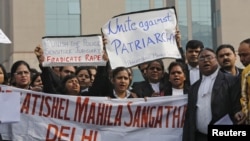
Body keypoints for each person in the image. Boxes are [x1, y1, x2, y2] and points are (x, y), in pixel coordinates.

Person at [183, 48, 245, 141]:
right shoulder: (193, 87)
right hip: (199, 136)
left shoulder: (231, 81)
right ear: (198, 63)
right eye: (202, 58)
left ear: (216, 60)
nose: (206, 60)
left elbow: (237, 107)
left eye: (209, 57)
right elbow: (189, 117)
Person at [239, 38, 250, 124]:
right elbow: (244, 97)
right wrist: (246, 114)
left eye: (245, 55)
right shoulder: (246, 72)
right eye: (240, 55)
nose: (241, 59)